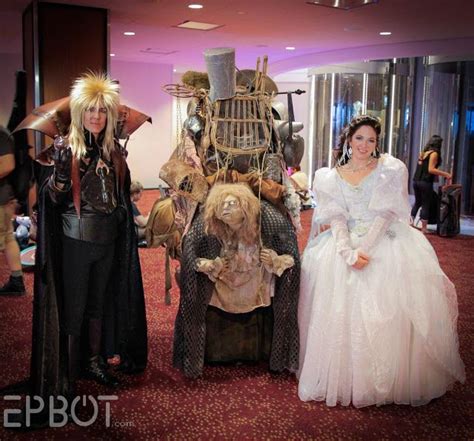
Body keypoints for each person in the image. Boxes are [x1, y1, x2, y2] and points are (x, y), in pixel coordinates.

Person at [297, 115, 465, 407]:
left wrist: (366, 249)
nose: (364, 145)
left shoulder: (389, 169)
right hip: (344, 244)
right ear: (349, 140)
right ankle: (346, 378)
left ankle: (389, 382)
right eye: (359, 138)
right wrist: (348, 252)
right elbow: (336, 217)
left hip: (383, 240)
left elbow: (386, 214)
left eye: (371, 140)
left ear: (377, 143)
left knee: (388, 309)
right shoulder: (329, 176)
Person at [28, 72, 148, 419]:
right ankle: (65, 374)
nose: (96, 116)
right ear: (79, 113)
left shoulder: (113, 149)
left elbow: (120, 196)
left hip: (108, 240)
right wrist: (62, 173)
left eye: (102, 110)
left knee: (98, 305)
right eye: (90, 110)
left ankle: (93, 362)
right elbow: (51, 200)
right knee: (74, 309)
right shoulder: (65, 149)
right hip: (76, 241)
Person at [174, 183, 300, 378]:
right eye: (222, 205)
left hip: (255, 286)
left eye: (232, 204)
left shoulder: (268, 220)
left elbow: (292, 258)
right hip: (222, 286)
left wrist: (274, 260)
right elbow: (191, 255)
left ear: (245, 207)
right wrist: (207, 264)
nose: (225, 209)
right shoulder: (206, 225)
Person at [0, 125, 25, 296]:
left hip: (1, 198)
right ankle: (17, 281)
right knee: (7, 238)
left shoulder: (1, 134)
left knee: (6, 238)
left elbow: (7, 164)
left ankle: (17, 282)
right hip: (4, 196)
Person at [410, 135, 451, 233]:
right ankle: (424, 228)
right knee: (425, 204)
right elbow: (431, 169)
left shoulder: (423, 153)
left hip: (416, 181)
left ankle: (410, 224)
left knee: (418, 202)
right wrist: (446, 174)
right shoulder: (434, 154)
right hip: (425, 182)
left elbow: (423, 168)